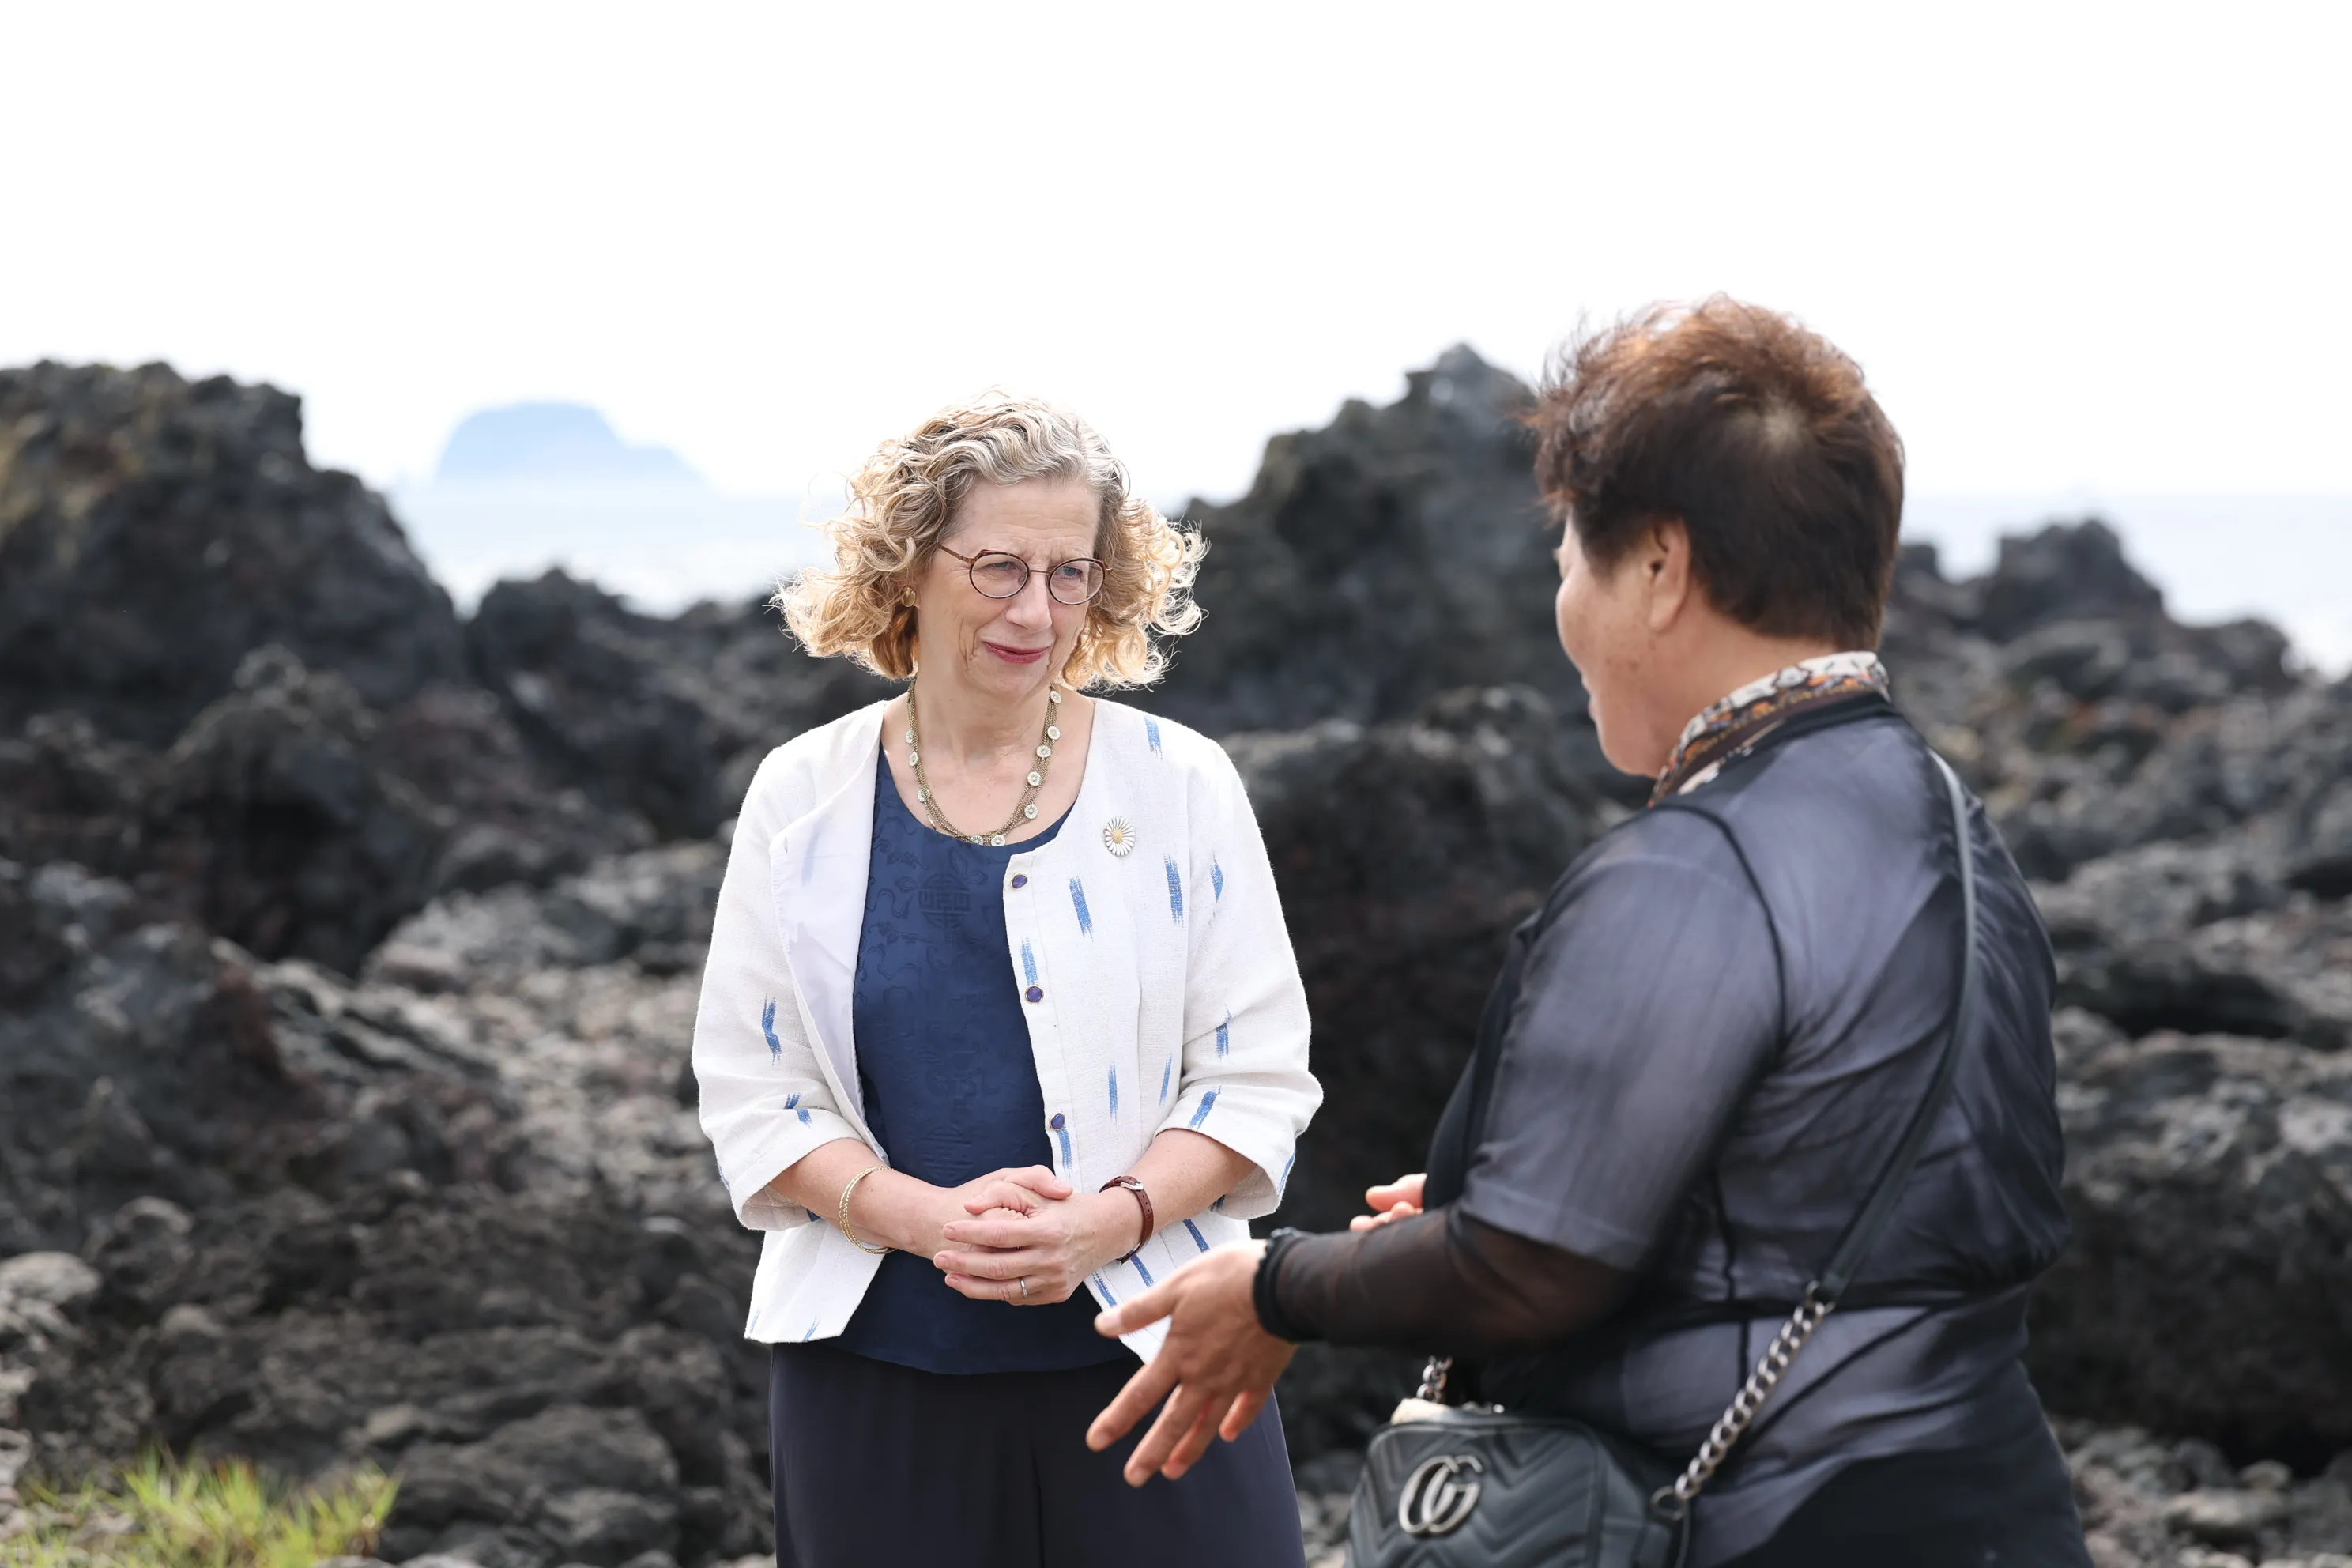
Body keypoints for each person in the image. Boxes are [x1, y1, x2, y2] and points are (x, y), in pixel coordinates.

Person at [1087, 299, 2094, 1567]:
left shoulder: (1699, 864)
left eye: (1571, 553)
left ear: (1661, 568)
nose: (1563, 598)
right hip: (1993, 1501)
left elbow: (1531, 1269)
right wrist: (1459, 1216)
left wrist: (1279, 1284)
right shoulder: (1951, 827)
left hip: (1760, 1522)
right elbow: (1825, 1185)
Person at [690, 393, 1321, 1568]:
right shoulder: (802, 797)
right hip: (873, 1379)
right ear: (909, 569)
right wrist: (926, 1223)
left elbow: (1256, 1080)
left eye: (1070, 573)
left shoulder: (1182, 784)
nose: (1039, 610)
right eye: (999, 569)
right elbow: (753, 1091)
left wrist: (1109, 1223)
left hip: (1160, 1366)